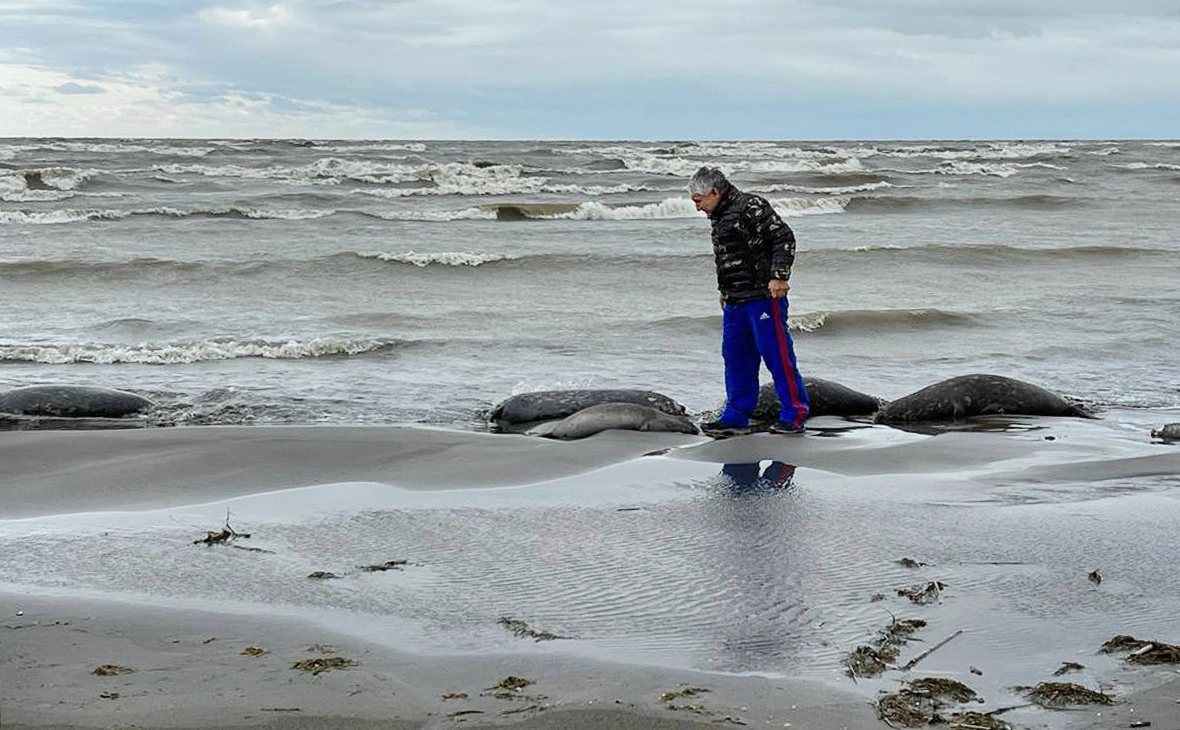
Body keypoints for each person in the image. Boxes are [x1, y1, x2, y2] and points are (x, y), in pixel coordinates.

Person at [689, 166, 809, 436]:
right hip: (735, 300)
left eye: (699, 201)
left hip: (764, 297)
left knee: (777, 356)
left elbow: (783, 237)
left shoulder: (751, 205)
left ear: (714, 192)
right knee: (735, 357)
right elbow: (730, 258)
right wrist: (725, 290)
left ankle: (794, 413)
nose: (697, 208)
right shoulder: (718, 215)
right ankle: (736, 415)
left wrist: (779, 276)